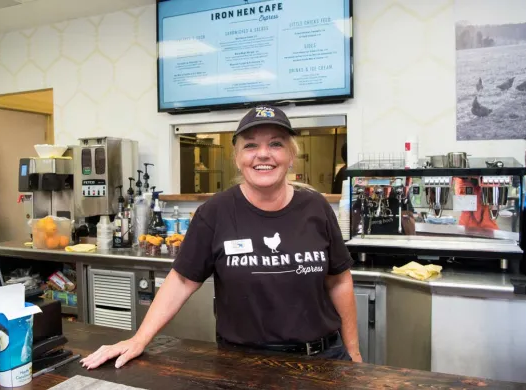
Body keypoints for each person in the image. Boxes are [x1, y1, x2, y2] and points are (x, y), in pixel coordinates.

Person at [81, 105, 362, 370]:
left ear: (290, 156)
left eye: (276, 144)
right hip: (242, 365)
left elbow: (339, 280)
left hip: (321, 360)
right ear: (238, 159)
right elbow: (180, 280)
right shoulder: (214, 213)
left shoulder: (316, 207)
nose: (263, 154)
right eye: (250, 145)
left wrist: (354, 353)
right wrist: (139, 338)